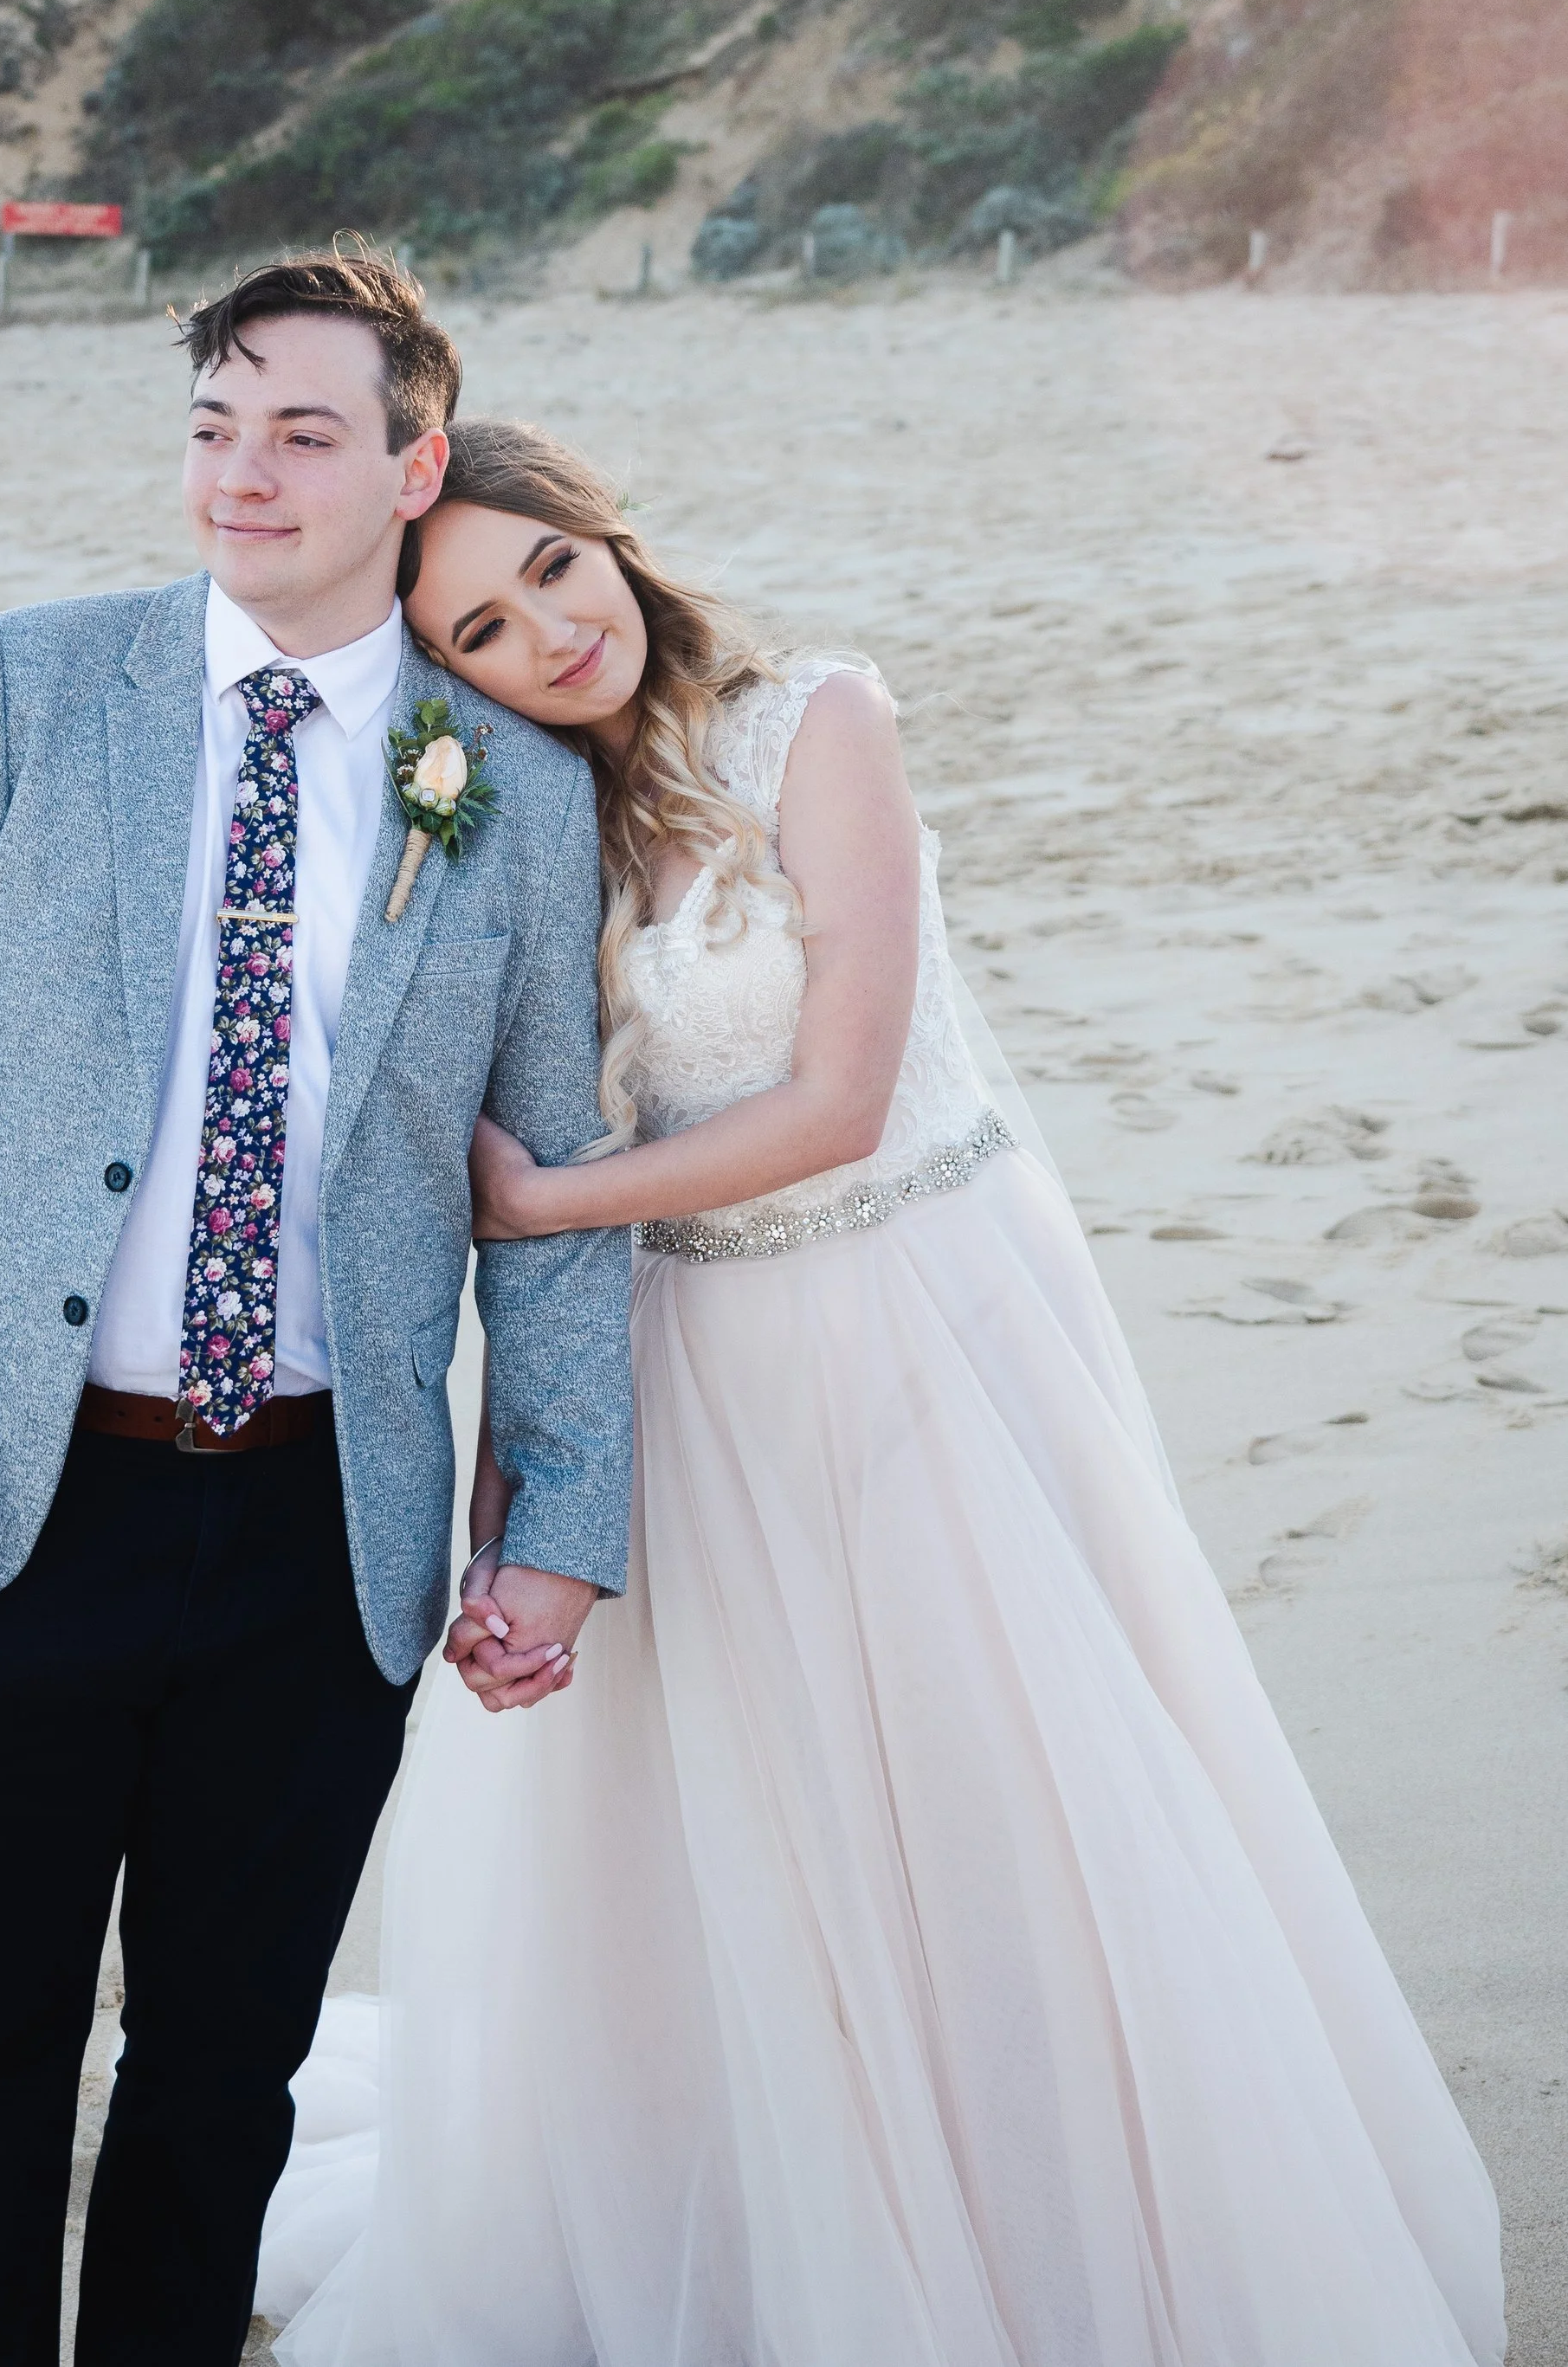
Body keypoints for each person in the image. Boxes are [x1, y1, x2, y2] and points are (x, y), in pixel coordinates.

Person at [261, 417, 1506, 2367]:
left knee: (992, 1790)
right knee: (741, 1835)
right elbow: (492, 1153)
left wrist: (550, 1194)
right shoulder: (506, 827)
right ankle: (793, 2238)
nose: (543, 638)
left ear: (611, 539)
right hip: (694, 1375)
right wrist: (521, 1444)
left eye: (551, 573)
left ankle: (1047, 2230)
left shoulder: (808, 722)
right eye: (482, 632)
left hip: (927, 1321)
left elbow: (835, 1098)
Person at [0, 266, 634, 2367]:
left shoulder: (504, 790)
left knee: (215, 2085)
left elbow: (547, 1190)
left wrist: (557, 1518)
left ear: (411, 466)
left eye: (302, 434)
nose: (240, 474)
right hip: (8, 1506)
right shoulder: (21, 686)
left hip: (313, 1537)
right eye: (212, 425)